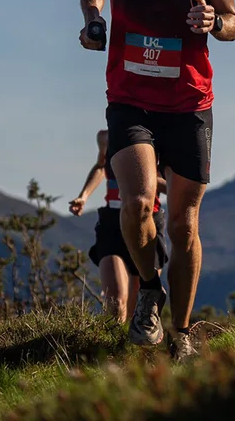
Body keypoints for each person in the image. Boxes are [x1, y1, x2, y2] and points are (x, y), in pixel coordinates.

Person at [77, 0, 235, 360]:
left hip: (188, 103)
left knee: (183, 225)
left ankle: (182, 332)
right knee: (136, 203)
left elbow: (234, 21)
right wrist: (94, 22)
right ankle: (150, 288)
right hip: (130, 99)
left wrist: (214, 21)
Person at [68, 129, 169, 325]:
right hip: (112, 220)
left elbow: (173, 184)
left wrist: (142, 177)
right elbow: (101, 166)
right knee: (115, 299)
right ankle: (112, 340)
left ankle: (134, 342)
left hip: (147, 220)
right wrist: (84, 196)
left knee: (142, 303)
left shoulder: (160, 137)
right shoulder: (105, 137)